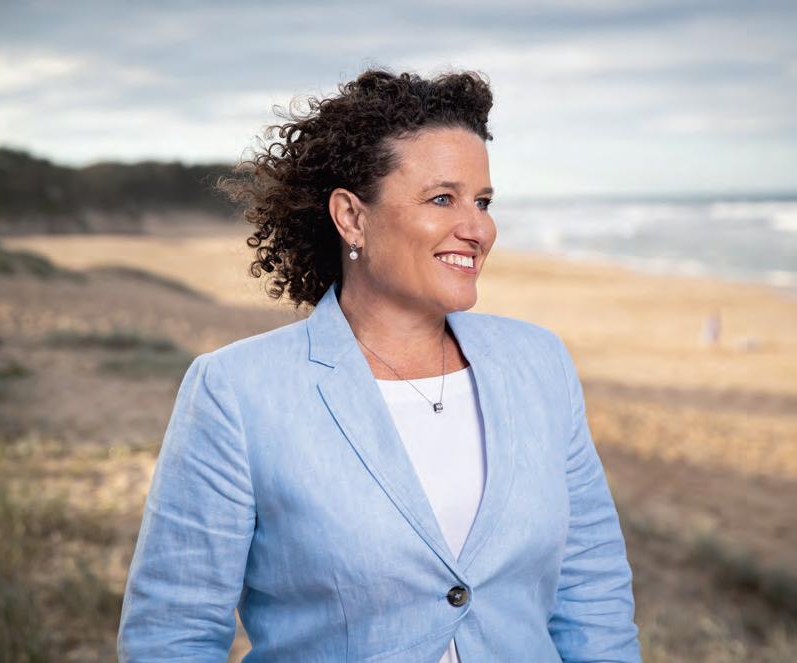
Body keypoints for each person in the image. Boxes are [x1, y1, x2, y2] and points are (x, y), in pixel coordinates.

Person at [117, 68, 641, 662]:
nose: (478, 228)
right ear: (352, 217)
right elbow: (173, 634)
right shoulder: (236, 392)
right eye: (442, 199)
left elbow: (592, 594)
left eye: (483, 201)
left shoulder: (539, 363)